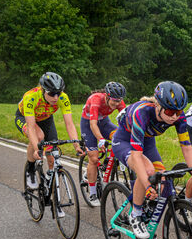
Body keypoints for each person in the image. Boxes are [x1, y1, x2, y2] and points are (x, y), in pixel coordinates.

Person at [112, 81, 192, 239]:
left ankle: (149, 228)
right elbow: (136, 155)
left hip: (147, 142)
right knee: (148, 172)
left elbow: (187, 147)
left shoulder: (179, 117)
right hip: (124, 141)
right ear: (157, 105)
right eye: (170, 112)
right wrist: (147, 185)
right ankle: (136, 214)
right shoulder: (141, 113)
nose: (174, 117)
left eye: (178, 112)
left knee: (164, 182)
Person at [15, 72, 84, 217]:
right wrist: (36, 149)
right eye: (52, 94)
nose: (56, 98)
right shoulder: (31, 97)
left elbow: (69, 123)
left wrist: (76, 145)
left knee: (53, 156)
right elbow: (32, 127)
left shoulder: (62, 98)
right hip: (25, 118)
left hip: (46, 119)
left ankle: (55, 199)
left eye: (58, 93)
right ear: (43, 90)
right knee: (39, 138)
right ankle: (31, 169)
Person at [80, 82, 126, 206]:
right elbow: (93, 124)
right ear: (107, 96)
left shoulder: (120, 103)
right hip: (88, 124)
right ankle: (93, 193)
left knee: (119, 137)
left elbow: (126, 121)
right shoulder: (96, 100)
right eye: (114, 100)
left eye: (119, 101)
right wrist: (100, 139)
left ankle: (106, 163)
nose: (116, 104)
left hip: (104, 122)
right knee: (94, 158)